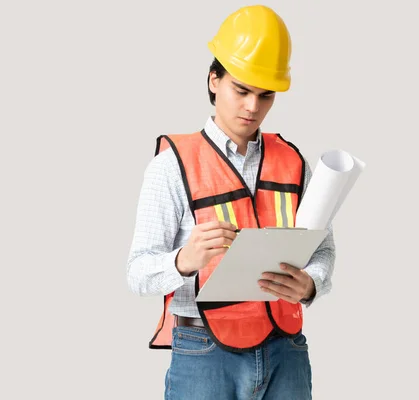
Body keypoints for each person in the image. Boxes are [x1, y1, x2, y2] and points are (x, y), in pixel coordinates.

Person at [126, 5, 336, 399]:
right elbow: (137, 272)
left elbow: (322, 248)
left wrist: (311, 285)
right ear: (213, 79)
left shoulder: (293, 162)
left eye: (265, 95)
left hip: (286, 350)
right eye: (241, 90)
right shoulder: (172, 165)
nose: (252, 107)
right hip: (204, 354)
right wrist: (183, 261)